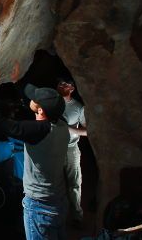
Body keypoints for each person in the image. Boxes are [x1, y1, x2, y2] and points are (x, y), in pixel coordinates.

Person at [0, 63, 70, 240]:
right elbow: (35, 103)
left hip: (39, 206)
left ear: (40, 110)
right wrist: (17, 81)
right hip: (59, 201)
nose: (30, 99)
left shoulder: (39, 131)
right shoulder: (61, 125)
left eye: (35, 101)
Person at [56, 78, 87, 226]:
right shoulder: (53, 103)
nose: (61, 86)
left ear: (72, 88)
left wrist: (70, 130)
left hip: (70, 149)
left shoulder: (78, 107)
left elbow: (88, 131)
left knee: (74, 184)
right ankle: (56, 215)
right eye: (60, 84)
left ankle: (77, 217)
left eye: (65, 84)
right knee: (54, 183)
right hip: (53, 149)